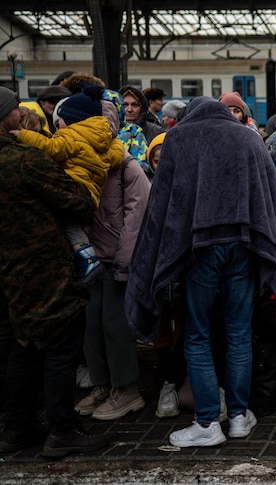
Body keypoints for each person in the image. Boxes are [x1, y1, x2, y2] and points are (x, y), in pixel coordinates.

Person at [125, 96, 276, 448]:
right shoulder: (248, 137)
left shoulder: (179, 139)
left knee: (198, 334)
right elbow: (272, 196)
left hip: (199, 248)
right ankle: (237, 417)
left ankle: (206, 422)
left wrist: (152, 258)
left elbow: (163, 201)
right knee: (238, 332)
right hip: (244, 246)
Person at [0, 86, 110, 457]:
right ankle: (62, 430)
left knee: (23, 347)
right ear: (4, 118)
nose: (21, 115)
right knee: (61, 349)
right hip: (47, 269)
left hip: (9, 271)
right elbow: (77, 201)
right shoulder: (24, 160)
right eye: (15, 110)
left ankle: (17, 428)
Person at [74, 119, 151, 421]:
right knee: (91, 327)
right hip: (91, 258)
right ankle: (103, 384)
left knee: (115, 327)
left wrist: (125, 258)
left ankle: (127, 389)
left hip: (114, 260)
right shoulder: (83, 161)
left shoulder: (126, 165)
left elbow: (138, 213)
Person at [11, 86, 125, 288]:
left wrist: (22, 135)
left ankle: (89, 261)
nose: (57, 125)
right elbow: (116, 156)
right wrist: (114, 142)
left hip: (71, 190)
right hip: (91, 196)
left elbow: (50, 147)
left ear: (72, 121)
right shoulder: (105, 143)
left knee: (69, 226)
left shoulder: (70, 138)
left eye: (59, 121)